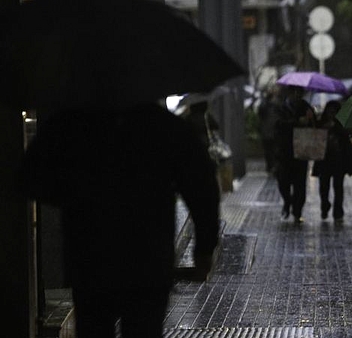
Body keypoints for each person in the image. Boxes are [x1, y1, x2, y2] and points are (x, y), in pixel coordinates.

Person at [21, 103, 221, 338]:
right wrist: (205, 248)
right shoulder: (163, 125)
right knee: (143, 329)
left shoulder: (71, 123)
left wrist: (74, 195)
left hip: (90, 257)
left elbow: (29, 177)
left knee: (94, 328)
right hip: (148, 260)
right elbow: (202, 187)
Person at [273, 85, 315, 223]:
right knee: (283, 181)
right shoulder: (281, 108)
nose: (297, 95)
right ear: (290, 93)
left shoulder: (306, 107)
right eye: (294, 92)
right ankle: (287, 201)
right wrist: (296, 122)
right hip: (285, 151)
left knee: (300, 184)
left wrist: (310, 119)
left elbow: (314, 127)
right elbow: (278, 125)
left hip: (301, 151)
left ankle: (297, 211)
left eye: (300, 92)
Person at [311, 100, 352, 223]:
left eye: (334, 112)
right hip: (324, 160)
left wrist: (335, 128)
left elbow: (347, 136)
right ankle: (325, 206)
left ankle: (338, 211)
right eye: (330, 111)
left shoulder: (341, 124)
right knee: (323, 187)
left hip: (338, 160)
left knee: (338, 187)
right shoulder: (321, 123)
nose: (332, 114)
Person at [257, 87, 281, 174]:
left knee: (268, 150)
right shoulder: (275, 106)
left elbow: (260, 117)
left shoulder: (264, 105)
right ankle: (272, 166)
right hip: (272, 132)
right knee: (272, 150)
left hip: (267, 132)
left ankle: (270, 166)